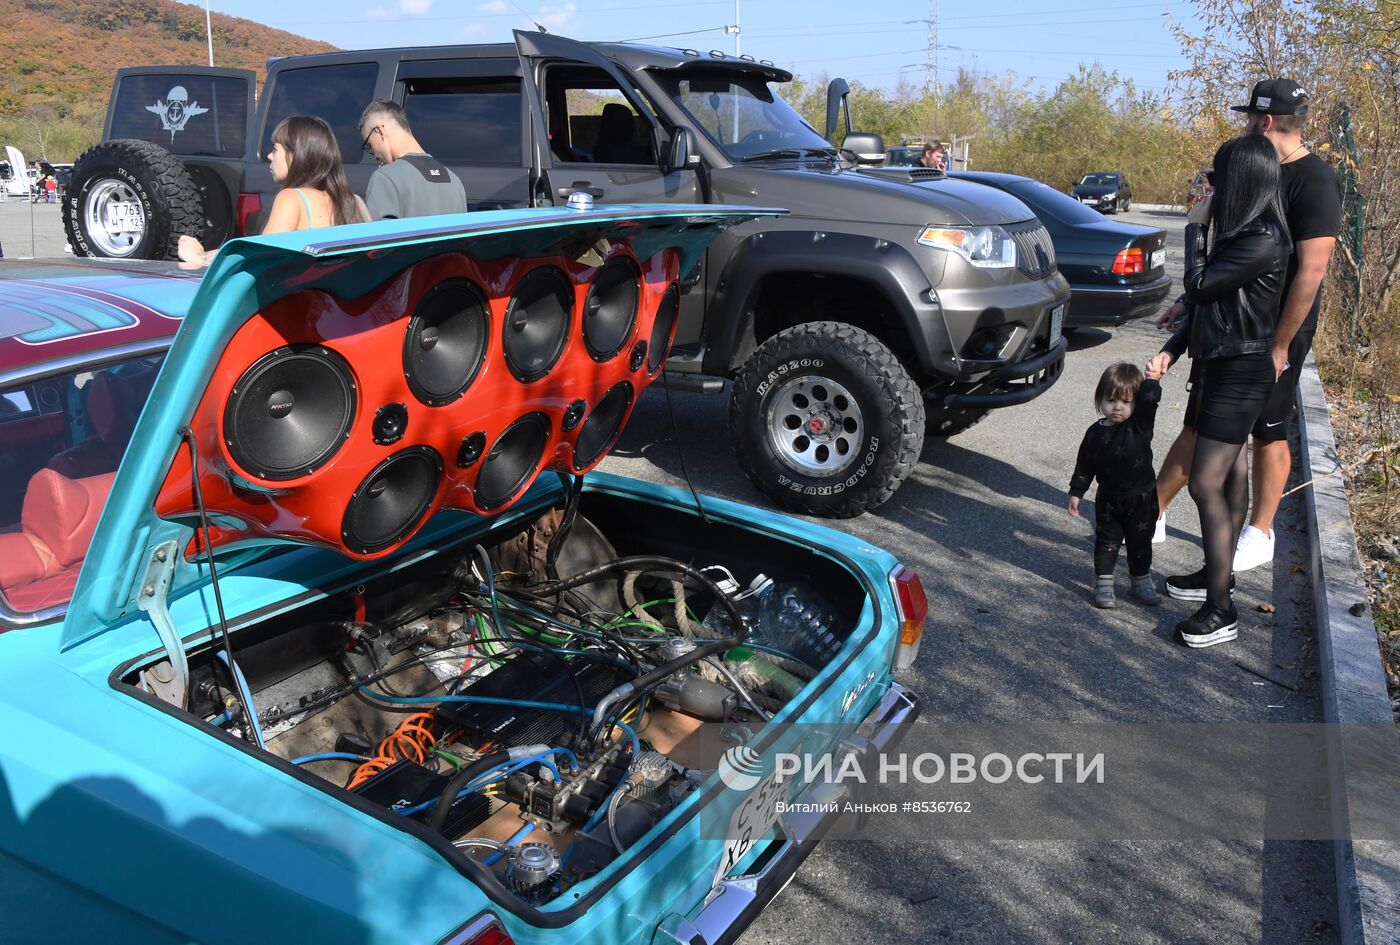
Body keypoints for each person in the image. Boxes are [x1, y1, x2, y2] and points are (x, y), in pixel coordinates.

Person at [1150, 79, 1342, 573]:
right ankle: (1152, 512)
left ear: (1267, 121)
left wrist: (1281, 344)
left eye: (1249, 118)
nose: (1245, 126)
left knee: (1267, 434)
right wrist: (1189, 306)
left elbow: (1312, 270)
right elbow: (1225, 261)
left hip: (1276, 333)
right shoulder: (1258, 169)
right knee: (1201, 424)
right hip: (1230, 326)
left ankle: (1259, 532)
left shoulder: (1314, 181)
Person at [1147, 134, 1290, 648]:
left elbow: (1201, 286)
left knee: (1206, 482)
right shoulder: (1243, 233)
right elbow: (1212, 308)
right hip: (1218, 366)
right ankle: (1216, 577)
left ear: (1242, 181)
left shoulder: (1263, 239)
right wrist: (1173, 348)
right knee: (1229, 477)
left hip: (1241, 372)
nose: (1211, 185)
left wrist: (1192, 227)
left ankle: (1222, 609)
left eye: (1218, 177)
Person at [178, 115, 367, 267]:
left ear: (295, 155)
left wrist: (200, 257)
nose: (269, 156)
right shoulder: (357, 203)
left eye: (275, 149)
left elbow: (260, 259)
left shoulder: (292, 198)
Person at [1068, 362, 1164, 609]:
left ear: (1137, 403)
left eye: (1126, 401)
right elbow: (1085, 465)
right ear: (1100, 399)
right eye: (1111, 400)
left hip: (1141, 498)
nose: (1117, 407)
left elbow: (1150, 401)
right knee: (1107, 541)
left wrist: (1152, 380)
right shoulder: (1094, 433)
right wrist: (1077, 491)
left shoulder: (1139, 427)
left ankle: (1141, 581)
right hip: (1109, 500)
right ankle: (1104, 584)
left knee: (1140, 541)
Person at [358, 100, 468, 220]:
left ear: (379, 130)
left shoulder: (385, 178)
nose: (375, 156)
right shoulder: (454, 180)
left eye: (369, 145)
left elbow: (381, 237)